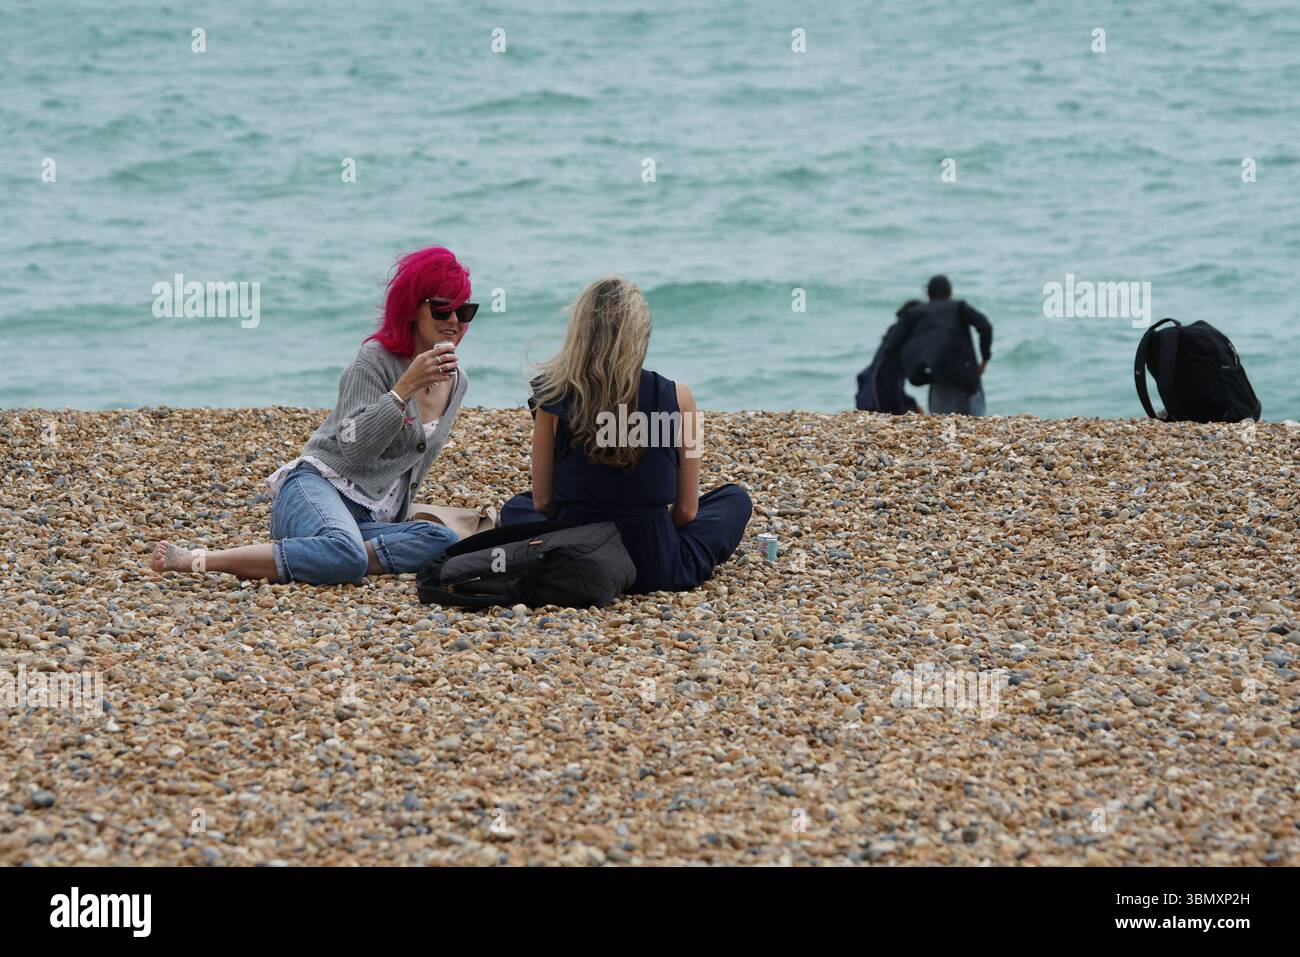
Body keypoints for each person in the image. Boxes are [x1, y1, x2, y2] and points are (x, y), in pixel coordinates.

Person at [149, 245, 475, 584]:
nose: (453, 321)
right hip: (315, 488)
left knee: (443, 541)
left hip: (373, 519)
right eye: (441, 309)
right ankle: (201, 559)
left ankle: (326, 553)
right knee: (347, 553)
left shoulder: (457, 383)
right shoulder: (375, 360)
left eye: (464, 311)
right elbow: (355, 447)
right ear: (411, 309)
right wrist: (402, 389)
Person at [502, 276, 752, 594]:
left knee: (515, 508)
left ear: (580, 332)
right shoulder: (680, 397)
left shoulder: (552, 396)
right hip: (656, 564)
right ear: (640, 334)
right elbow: (687, 510)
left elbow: (543, 500)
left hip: (579, 553)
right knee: (735, 499)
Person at [886, 275, 993, 415]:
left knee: (942, 428)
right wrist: (984, 358)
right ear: (950, 293)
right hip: (968, 378)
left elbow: (893, 344)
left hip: (939, 380)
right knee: (975, 427)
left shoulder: (916, 313)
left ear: (928, 293)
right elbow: (985, 327)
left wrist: (917, 374)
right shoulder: (959, 307)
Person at [856, 300, 923, 413]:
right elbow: (889, 387)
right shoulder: (895, 346)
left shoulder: (891, 339)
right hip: (876, 405)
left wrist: (910, 403)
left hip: (868, 400)